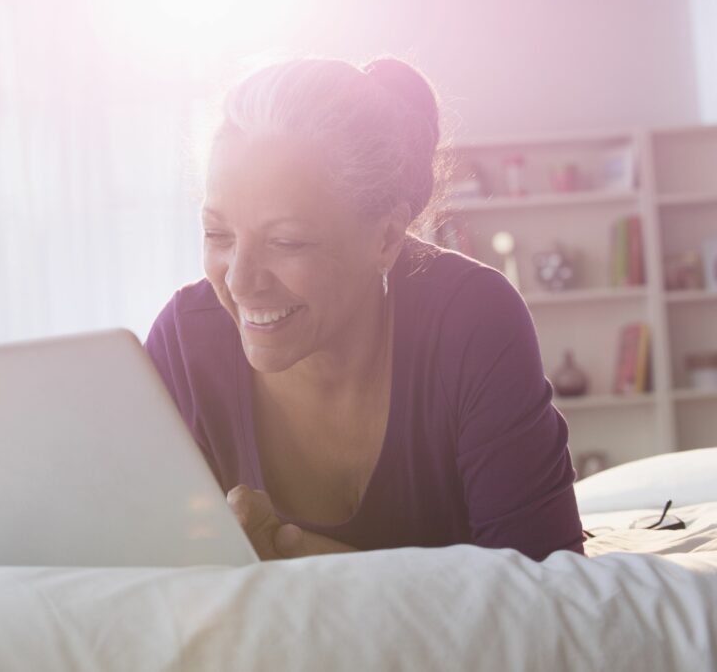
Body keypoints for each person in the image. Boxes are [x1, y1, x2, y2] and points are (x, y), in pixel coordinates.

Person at [144, 57, 584, 562]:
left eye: (286, 241)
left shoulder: (472, 321)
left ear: (386, 238)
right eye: (218, 234)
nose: (239, 281)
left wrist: (299, 556)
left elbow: (544, 596)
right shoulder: (183, 344)